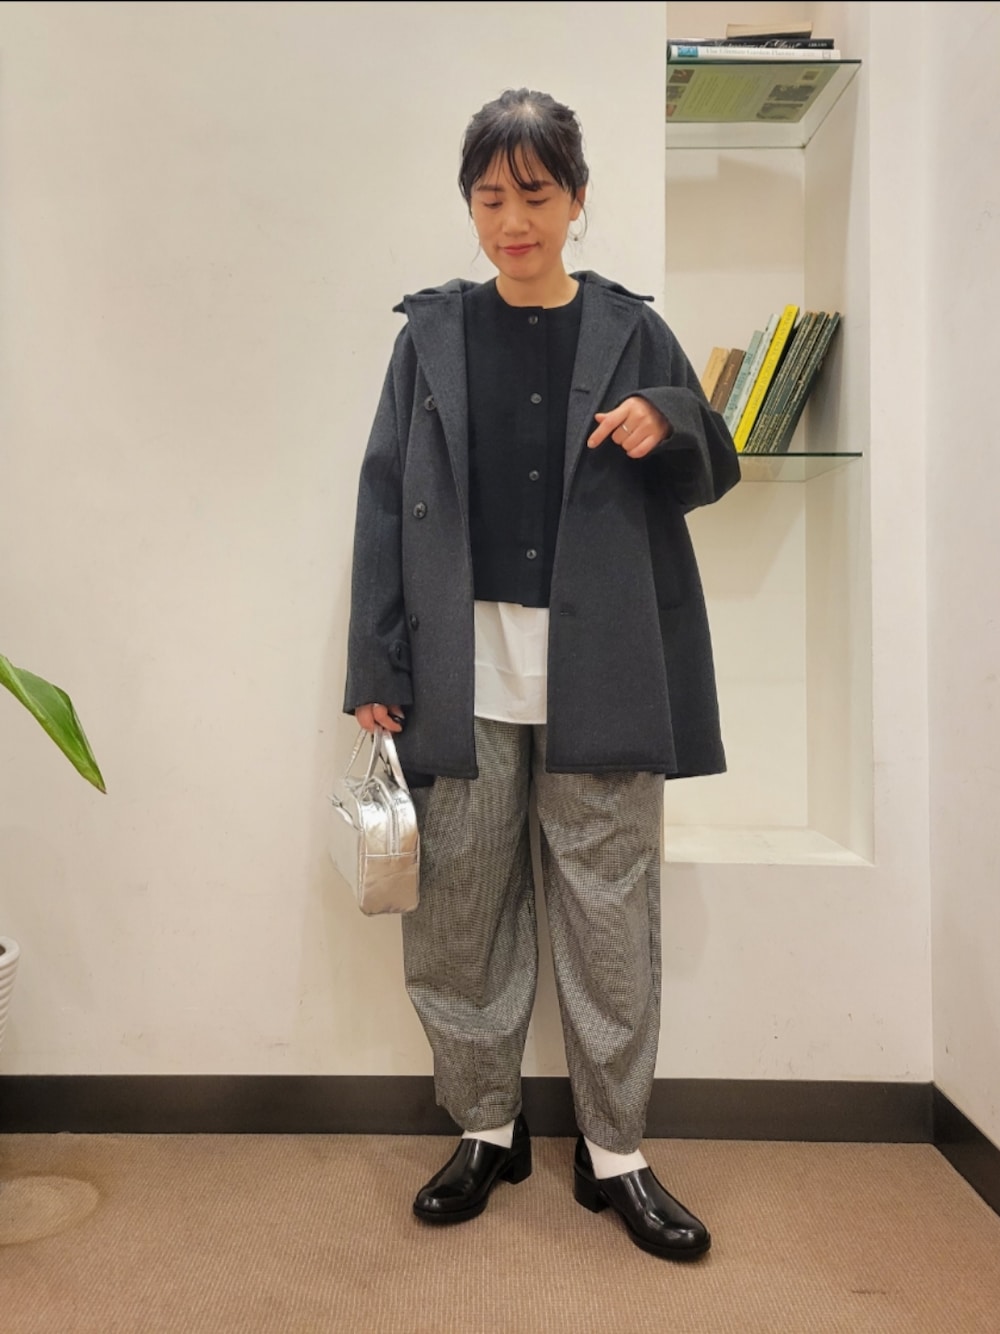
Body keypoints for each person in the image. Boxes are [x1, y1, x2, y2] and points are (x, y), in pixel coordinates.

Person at [344, 88, 739, 1261]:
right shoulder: (429, 336)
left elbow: (711, 466)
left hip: (601, 668)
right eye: (489, 197)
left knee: (609, 914)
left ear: (575, 199)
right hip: (458, 670)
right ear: (468, 205)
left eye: (534, 194)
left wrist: (667, 418)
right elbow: (382, 499)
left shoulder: (632, 330)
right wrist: (377, 658)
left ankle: (614, 1150)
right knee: (459, 914)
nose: (511, 220)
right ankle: (487, 1125)